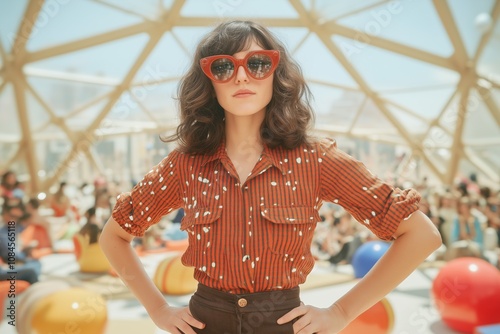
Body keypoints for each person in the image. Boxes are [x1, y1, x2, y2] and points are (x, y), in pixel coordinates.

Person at [100, 20, 441, 334]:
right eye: (223, 66)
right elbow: (113, 237)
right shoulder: (185, 165)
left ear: (276, 73)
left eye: (258, 63)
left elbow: (420, 235)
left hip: (285, 325)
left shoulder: (315, 159)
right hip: (204, 323)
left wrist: (340, 312)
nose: (242, 76)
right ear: (209, 83)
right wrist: (158, 310)